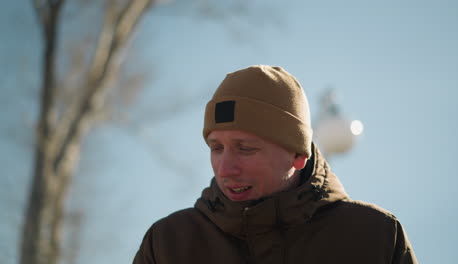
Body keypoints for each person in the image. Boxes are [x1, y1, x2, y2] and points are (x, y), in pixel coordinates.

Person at [133, 65, 418, 263]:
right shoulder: (168, 244)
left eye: (245, 148)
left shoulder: (375, 238)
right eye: (216, 148)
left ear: (298, 154)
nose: (225, 168)